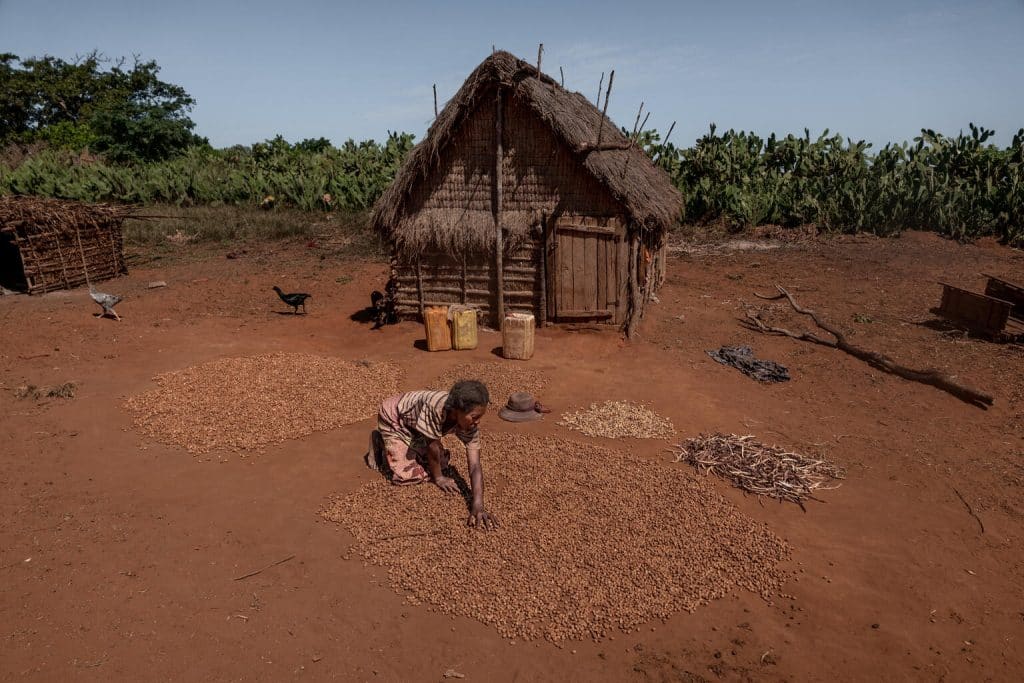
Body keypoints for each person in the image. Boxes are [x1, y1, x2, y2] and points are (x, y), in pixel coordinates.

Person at [366, 380, 497, 530]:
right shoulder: (435, 408)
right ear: (456, 411)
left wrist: (478, 505)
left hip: (416, 426)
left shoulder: (469, 426)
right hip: (395, 418)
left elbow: (475, 465)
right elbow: (432, 446)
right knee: (408, 475)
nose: (478, 422)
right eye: (474, 417)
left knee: (441, 462)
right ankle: (379, 438)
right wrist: (439, 478)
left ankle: (409, 443)